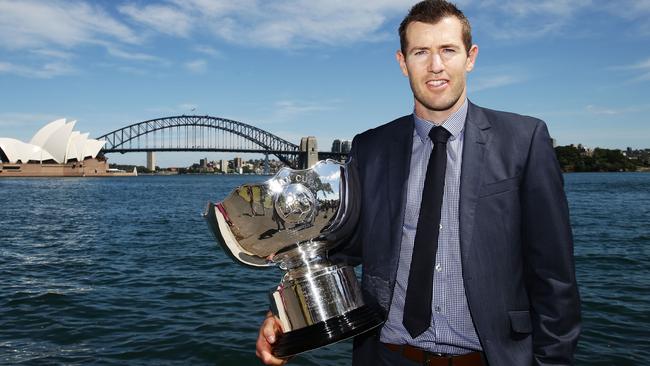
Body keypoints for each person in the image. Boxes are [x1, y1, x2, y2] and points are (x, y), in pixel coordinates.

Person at [256, 1, 581, 365]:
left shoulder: (524, 139)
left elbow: (554, 276)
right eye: (421, 52)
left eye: (448, 50)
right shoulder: (371, 147)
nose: (435, 66)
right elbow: (345, 248)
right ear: (402, 62)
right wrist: (288, 316)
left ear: (470, 57)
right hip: (388, 355)